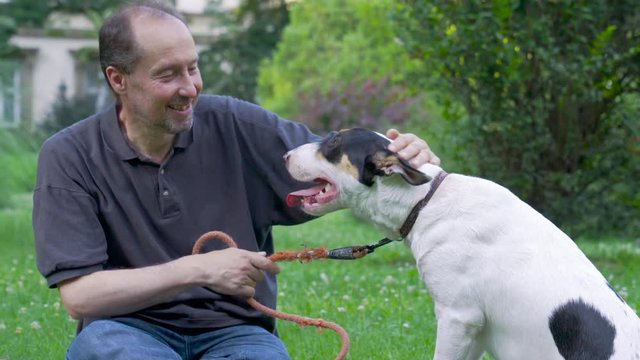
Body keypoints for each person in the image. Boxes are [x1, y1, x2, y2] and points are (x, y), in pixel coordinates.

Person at [32, 1, 441, 359]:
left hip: (235, 334)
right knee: (103, 348)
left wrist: (404, 155)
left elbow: (338, 163)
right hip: (125, 332)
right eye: (167, 75)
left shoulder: (235, 123)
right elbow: (80, 296)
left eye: (193, 67)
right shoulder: (68, 156)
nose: (189, 87)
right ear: (118, 79)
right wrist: (198, 270)